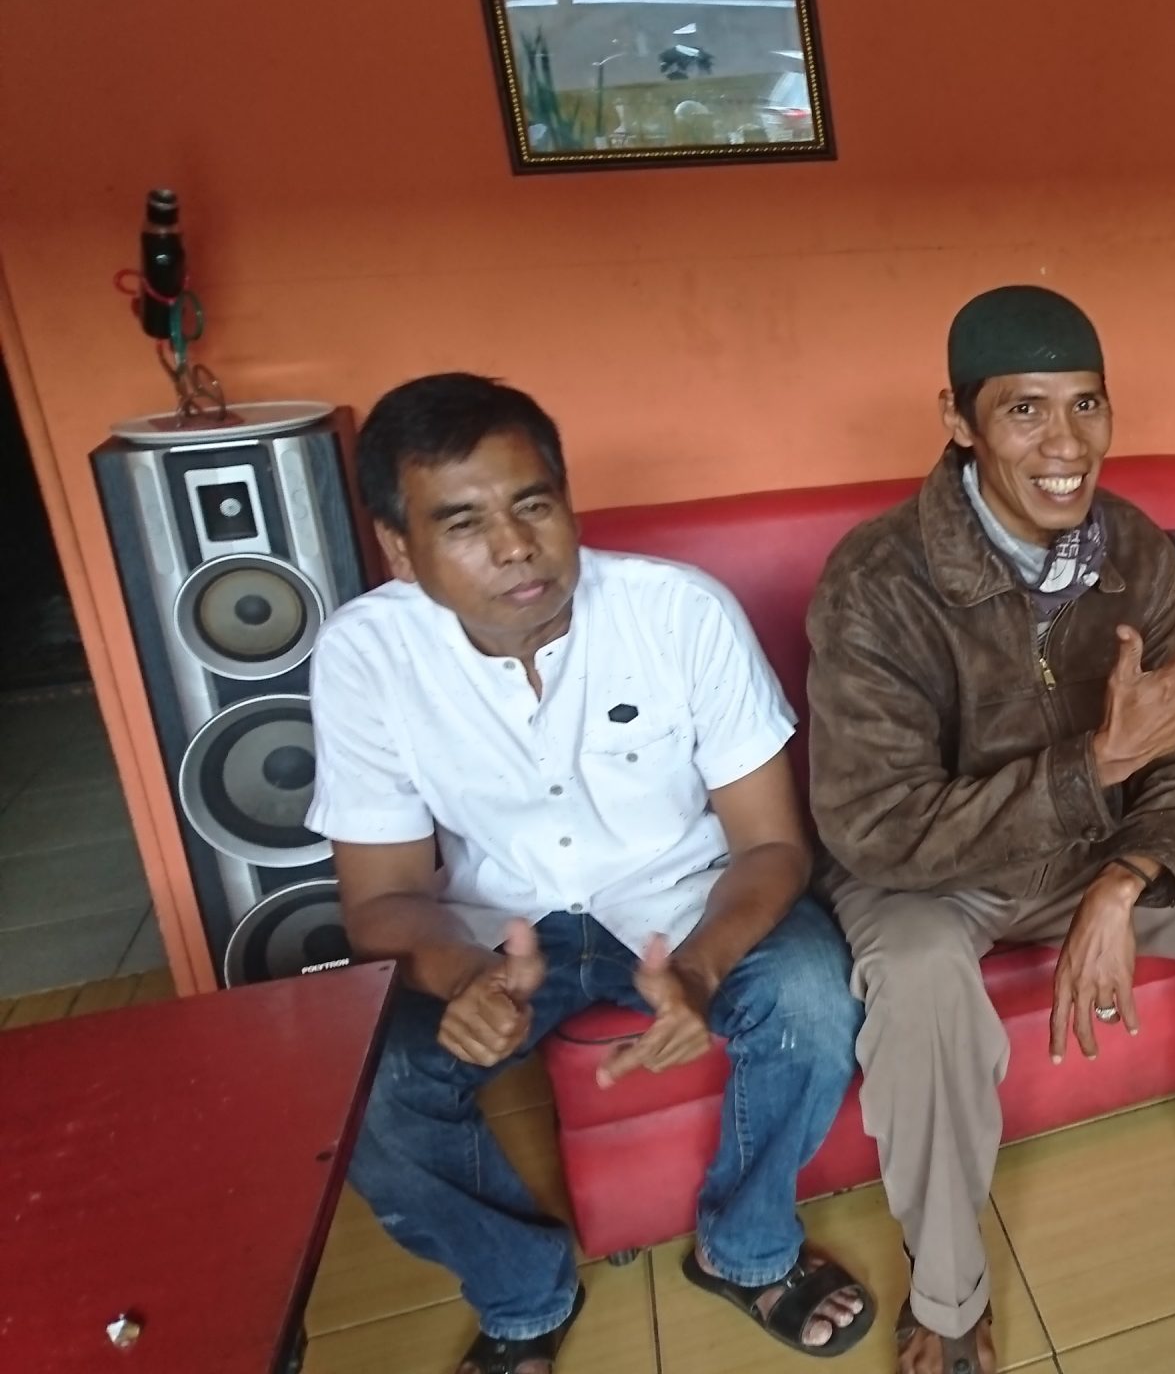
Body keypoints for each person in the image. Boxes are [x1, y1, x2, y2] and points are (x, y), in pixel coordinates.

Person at [805, 286, 1175, 1374]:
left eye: (1086, 404)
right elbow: (875, 831)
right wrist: (1094, 770)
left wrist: (1124, 877)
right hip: (936, 880)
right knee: (919, 975)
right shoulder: (877, 580)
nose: (1065, 444)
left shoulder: (1128, 544)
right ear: (958, 420)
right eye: (1024, 409)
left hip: (1098, 846)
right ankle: (947, 1297)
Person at [310, 374, 874, 1374]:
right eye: (464, 523)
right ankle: (525, 1292)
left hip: (684, 901)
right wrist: (461, 974)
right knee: (369, 1092)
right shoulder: (365, 656)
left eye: (534, 504)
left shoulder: (678, 613)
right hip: (494, 928)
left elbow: (771, 845)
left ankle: (745, 1249)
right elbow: (380, 896)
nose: (515, 546)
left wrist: (699, 966)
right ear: (399, 547)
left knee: (812, 998)